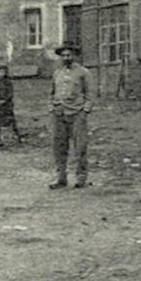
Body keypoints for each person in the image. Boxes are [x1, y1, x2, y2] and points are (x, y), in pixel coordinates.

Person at [48, 44, 94, 189]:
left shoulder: (83, 72)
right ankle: (61, 178)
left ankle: (81, 178)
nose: (66, 58)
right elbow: (52, 92)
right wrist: (52, 107)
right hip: (59, 114)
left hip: (76, 114)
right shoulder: (57, 73)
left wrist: (85, 110)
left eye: (69, 55)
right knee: (59, 147)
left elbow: (90, 93)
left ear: (74, 56)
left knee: (80, 146)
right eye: (63, 55)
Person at [0, 64, 21, 147]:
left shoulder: (8, 82)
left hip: (6, 105)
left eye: (2, 72)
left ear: (6, 73)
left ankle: (16, 135)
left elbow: (10, 93)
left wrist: (4, 100)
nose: (0, 74)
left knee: (11, 120)